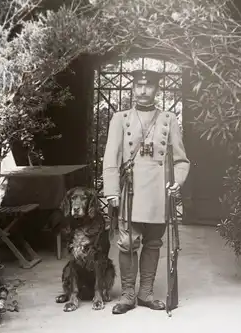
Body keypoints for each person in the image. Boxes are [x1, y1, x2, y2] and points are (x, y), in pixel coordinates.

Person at [102, 69, 190, 314]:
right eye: (138, 86)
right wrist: (111, 190)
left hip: (159, 193)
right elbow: (111, 157)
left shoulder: (169, 119)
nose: (143, 90)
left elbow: (182, 160)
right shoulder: (121, 118)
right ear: (132, 89)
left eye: (148, 86)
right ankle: (128, 294)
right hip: (131, 191)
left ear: (156, 89)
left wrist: (177, 181)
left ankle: (146, 293)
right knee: (128, 242)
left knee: (153, 243)